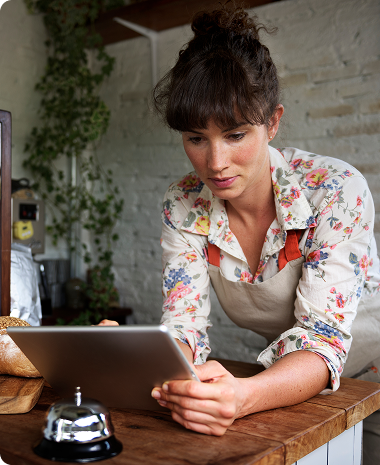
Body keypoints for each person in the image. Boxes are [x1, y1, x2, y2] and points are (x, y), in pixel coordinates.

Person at [143, 3, 380, 462]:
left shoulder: (334, 189)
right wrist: (159, 365)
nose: (215, 163)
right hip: (291, 378)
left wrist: (243, 396)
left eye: (235, 135)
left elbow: (321, 337)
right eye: (196, 138)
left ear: (272, 122)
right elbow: (184, 324)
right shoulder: (184, 204)